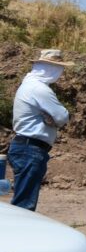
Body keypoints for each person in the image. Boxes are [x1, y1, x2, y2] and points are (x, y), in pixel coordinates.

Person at [8, 49, 73, 211]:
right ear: (49, 68)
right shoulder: (40, 89)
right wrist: (54, 120)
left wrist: (53, 119)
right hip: (31, 148)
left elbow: (57, 118)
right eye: (58, 68)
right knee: (25, 206)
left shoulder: (29, 84)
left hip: (26, 147)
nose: (60, 72)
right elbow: (62, 116)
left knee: (23, 200)